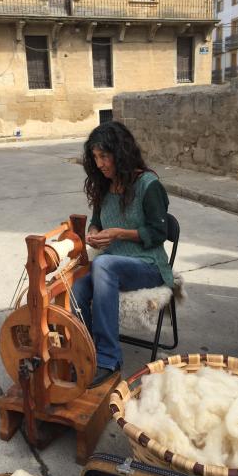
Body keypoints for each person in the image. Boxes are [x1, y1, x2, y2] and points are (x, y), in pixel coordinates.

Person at [72, 121, 173, 388]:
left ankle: (109, 359)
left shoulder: (148, 185)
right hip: (113, 267)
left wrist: (119, 233)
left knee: (102, 264)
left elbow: (158, 232)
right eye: (95, 157)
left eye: (104, 156)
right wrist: (95, 232)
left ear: (121, 152)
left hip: (148, 267)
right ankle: (88, 351)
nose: (100, 163)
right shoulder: (104, 186)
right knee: (75, 288)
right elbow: (97, 221)